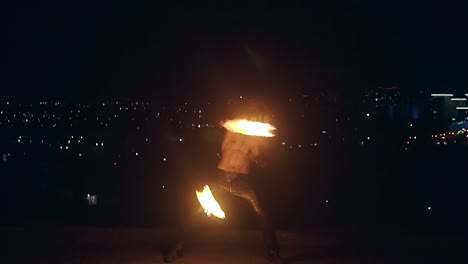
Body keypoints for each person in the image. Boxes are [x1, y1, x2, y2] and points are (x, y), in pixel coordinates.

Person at [163, 98, 286, 264]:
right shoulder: (233, 127)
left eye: (254, 110)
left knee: (263, 213)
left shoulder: (257, 135)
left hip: (242, 180)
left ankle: (273, 254)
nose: (250, 113)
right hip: (221, 176)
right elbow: (220, 135)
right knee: (196, 211)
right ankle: (177, 249)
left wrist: (257, 155)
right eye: (249, 109)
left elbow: (257, 155)